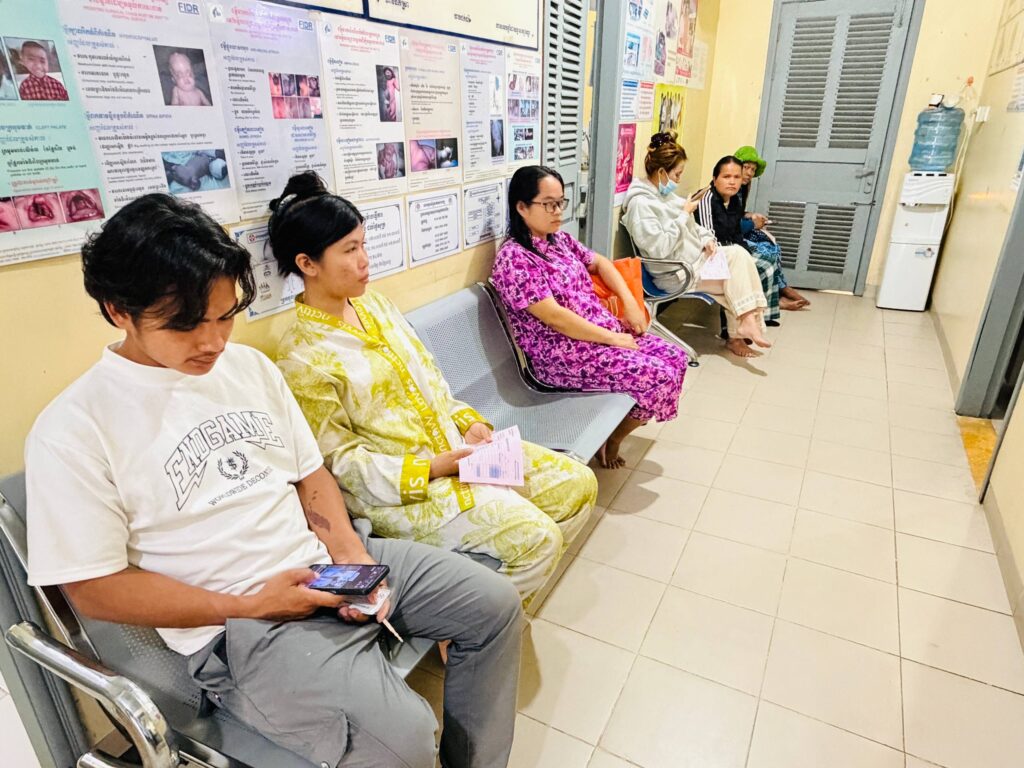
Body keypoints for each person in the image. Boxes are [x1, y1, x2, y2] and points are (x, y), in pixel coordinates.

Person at [24, 193, 522, 768]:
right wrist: (248, 603)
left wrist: (352, 557)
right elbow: (93, 589)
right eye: (185, 324)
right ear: (118, 311)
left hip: (327, 566)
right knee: (404, 739)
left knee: (494, 606)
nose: (213, 342)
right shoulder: (74, 428)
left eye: (223, 316)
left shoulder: (249, 368)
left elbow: (311, 476)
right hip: (239, 625)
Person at [270, 172, 595, 605]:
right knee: (539, 539)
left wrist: (468, 422)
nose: (365, 260)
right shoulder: (301, 356)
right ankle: (475, 623)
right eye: (350, 250)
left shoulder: (375, 306)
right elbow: (340, 464)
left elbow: (431, 380)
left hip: (459, 453)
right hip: (403, 494)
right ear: (307, 264)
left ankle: (499, 598)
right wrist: (431, 469)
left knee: (577, 485)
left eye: (364, 244)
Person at [491, 165, 689, 469]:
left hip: (600, 337)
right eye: (548, 204)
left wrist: (630, 303)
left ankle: (613, 433)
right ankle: (613, 439)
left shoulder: (559, 241)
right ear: (521, 207)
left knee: (676, 358)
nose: (558, 211)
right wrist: (613, 339)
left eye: (561, 202)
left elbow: (601, 264)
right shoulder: (514, 258)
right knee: (658, 377)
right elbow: (555, 318)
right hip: (563, 355)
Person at [621, 133, 774, 359]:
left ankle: (746, 321)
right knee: (735, 274)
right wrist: (684, 215)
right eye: (677, 174)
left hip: (695, 260)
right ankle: (743, 325)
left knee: (739, 255)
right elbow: (659, 249)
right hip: (676, 272)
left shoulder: (666, 197)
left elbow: (695, 228)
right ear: (661, 171)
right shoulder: (641, 204)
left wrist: (706, 239)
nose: (679, 180)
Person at [694, 155, 775, 357]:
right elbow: (709, 240)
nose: (732, 182)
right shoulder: (706, 199)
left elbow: (737, 235)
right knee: (736, 273)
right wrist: (737, 257)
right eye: (726, 176)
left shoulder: (735, 200)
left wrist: (745, 256)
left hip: (726, 254)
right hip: (704, 257)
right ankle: (737, 335)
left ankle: (743, 329)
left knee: (747, 264)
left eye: (737, 177)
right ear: (715, 179)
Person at [734, 145, 810, 310]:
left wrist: (749, 215)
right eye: (746, 167)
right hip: (732, 237)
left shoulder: (742, 188)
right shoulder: (730, 188)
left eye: (753, 170)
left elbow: (736, 214)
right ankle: (778, 295)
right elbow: (728, 224)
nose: (749, 173)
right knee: (766, 251)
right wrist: (753, 224)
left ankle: (781, 289)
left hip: (739, 229)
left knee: (772, 244)